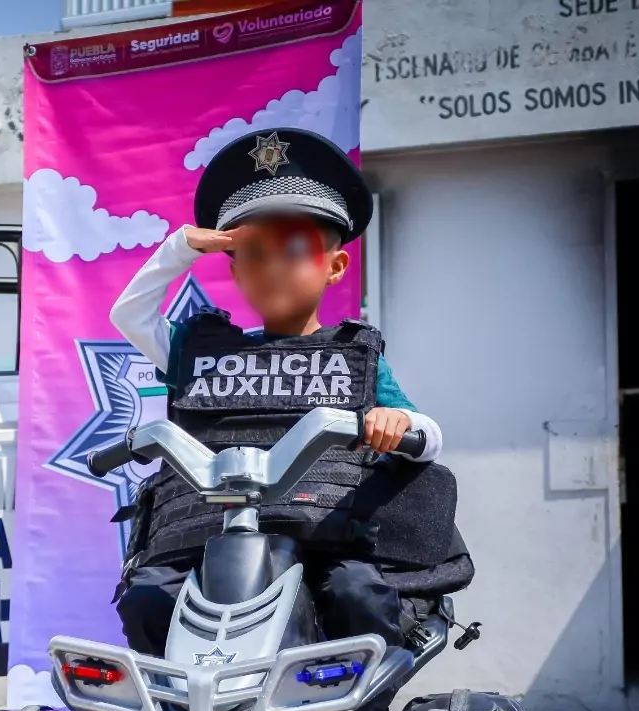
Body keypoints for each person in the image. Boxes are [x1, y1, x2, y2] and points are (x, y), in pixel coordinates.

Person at [109, 127, 446, 667]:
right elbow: (129, 315)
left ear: (334, 267)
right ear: (234, 268)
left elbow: (428, 436)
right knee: (149, 597)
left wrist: (395, 421)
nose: (273, 266)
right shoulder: (198, 354)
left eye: (295, 249)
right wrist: (180, 249)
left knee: (359, 597)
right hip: (211, 540)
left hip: (322, 537)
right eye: (254, 252)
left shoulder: (352, 358)